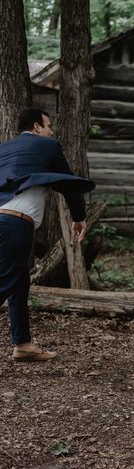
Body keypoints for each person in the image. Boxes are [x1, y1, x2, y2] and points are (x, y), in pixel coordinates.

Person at [0, 107, 95, 362]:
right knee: (6, 282)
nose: (51, 131)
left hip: (5, 220)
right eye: (48, 125)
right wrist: (78, 218)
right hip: (13, 224)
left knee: (19, 282)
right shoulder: (49, 147)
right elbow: (69, 183)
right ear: (36, 127)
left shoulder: (3, 150)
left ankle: (23, 344)